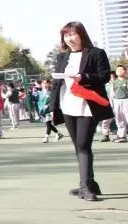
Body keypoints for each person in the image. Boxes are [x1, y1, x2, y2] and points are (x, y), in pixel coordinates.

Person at [48, 21, 113, 201]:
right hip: (67, 105)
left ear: (81, 35)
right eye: (66, 35)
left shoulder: (96, 53)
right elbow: (56, 84)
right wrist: (51, 107)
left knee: (83, 145)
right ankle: (88, 183)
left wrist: (83, 77)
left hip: (87, 106)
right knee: (79, 146)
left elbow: (104, 76)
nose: (69, 39)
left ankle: (85, 187)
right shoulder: (62, 57)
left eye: (72, 34)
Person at [110, 65, 128, 144]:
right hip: (116, 101)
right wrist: (112, 105)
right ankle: (122, 136)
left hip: (126, 101)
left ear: (125, 71)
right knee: (119, 119)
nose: (119, 71)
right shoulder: (114, 82)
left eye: (121, 69)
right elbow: (111, 95)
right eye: (117, 70)